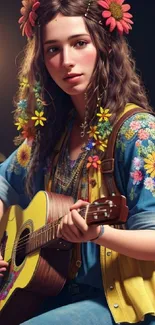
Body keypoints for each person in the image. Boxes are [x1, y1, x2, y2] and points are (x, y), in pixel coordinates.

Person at [0, 0, 155, 324]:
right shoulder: (50, 136)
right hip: (53, 293)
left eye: (79, 43)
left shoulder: (138, 132)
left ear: (104, 46)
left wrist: (99, 235)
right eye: (52, 49)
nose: (66, 61)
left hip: (117, 300)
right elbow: (2, 184)